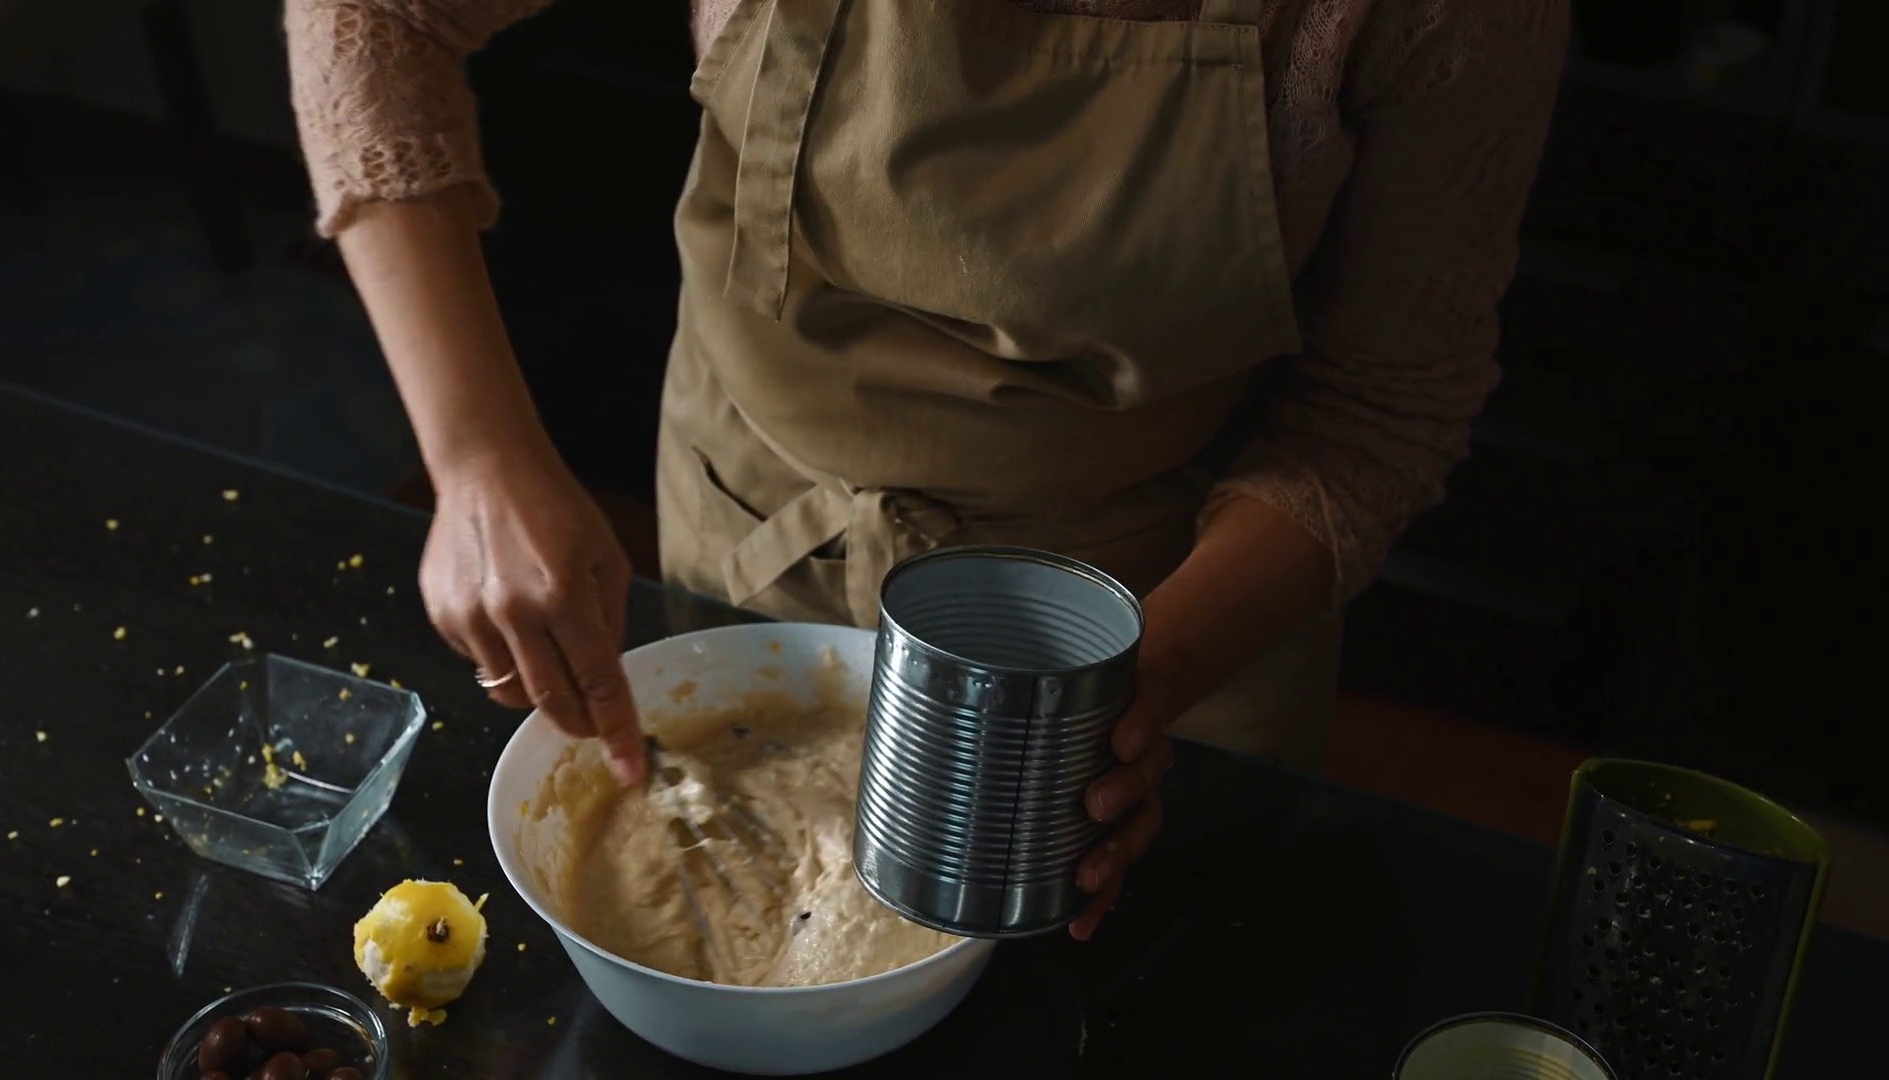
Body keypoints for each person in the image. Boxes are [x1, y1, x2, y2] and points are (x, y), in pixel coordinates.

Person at [287, 0, 1569, 939]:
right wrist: (478, 456)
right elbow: (374, 15)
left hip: (1155, 603)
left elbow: (1383, 406)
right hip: (759, 526)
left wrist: (1137, 687)